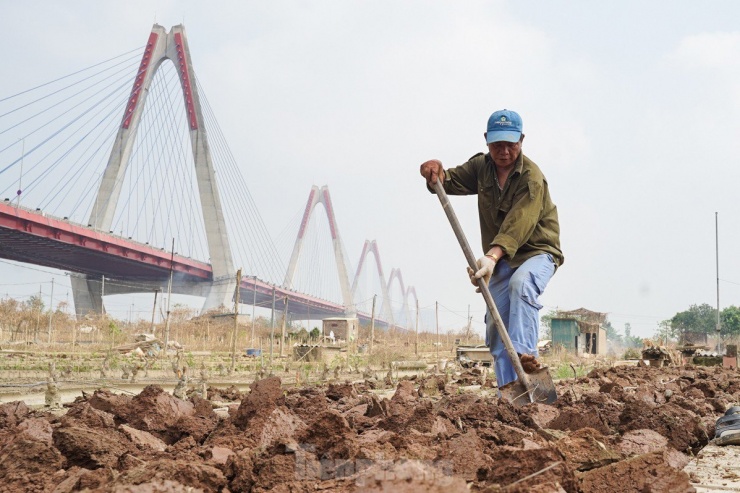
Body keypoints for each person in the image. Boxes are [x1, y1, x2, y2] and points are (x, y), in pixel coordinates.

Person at [419, 109, 563, 388]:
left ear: (521, 140)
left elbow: (517, 225)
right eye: (498, 144)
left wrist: (491, 258)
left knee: (521, 285)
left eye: (511, 144)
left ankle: (526, 359)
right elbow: (449, 180)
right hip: (500, 259)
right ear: (487, 141)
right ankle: (510, 392)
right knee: (496, 325)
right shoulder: (481, 168)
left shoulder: (531, 177)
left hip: (537, 252)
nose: (505, 151)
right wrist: (435, 171)